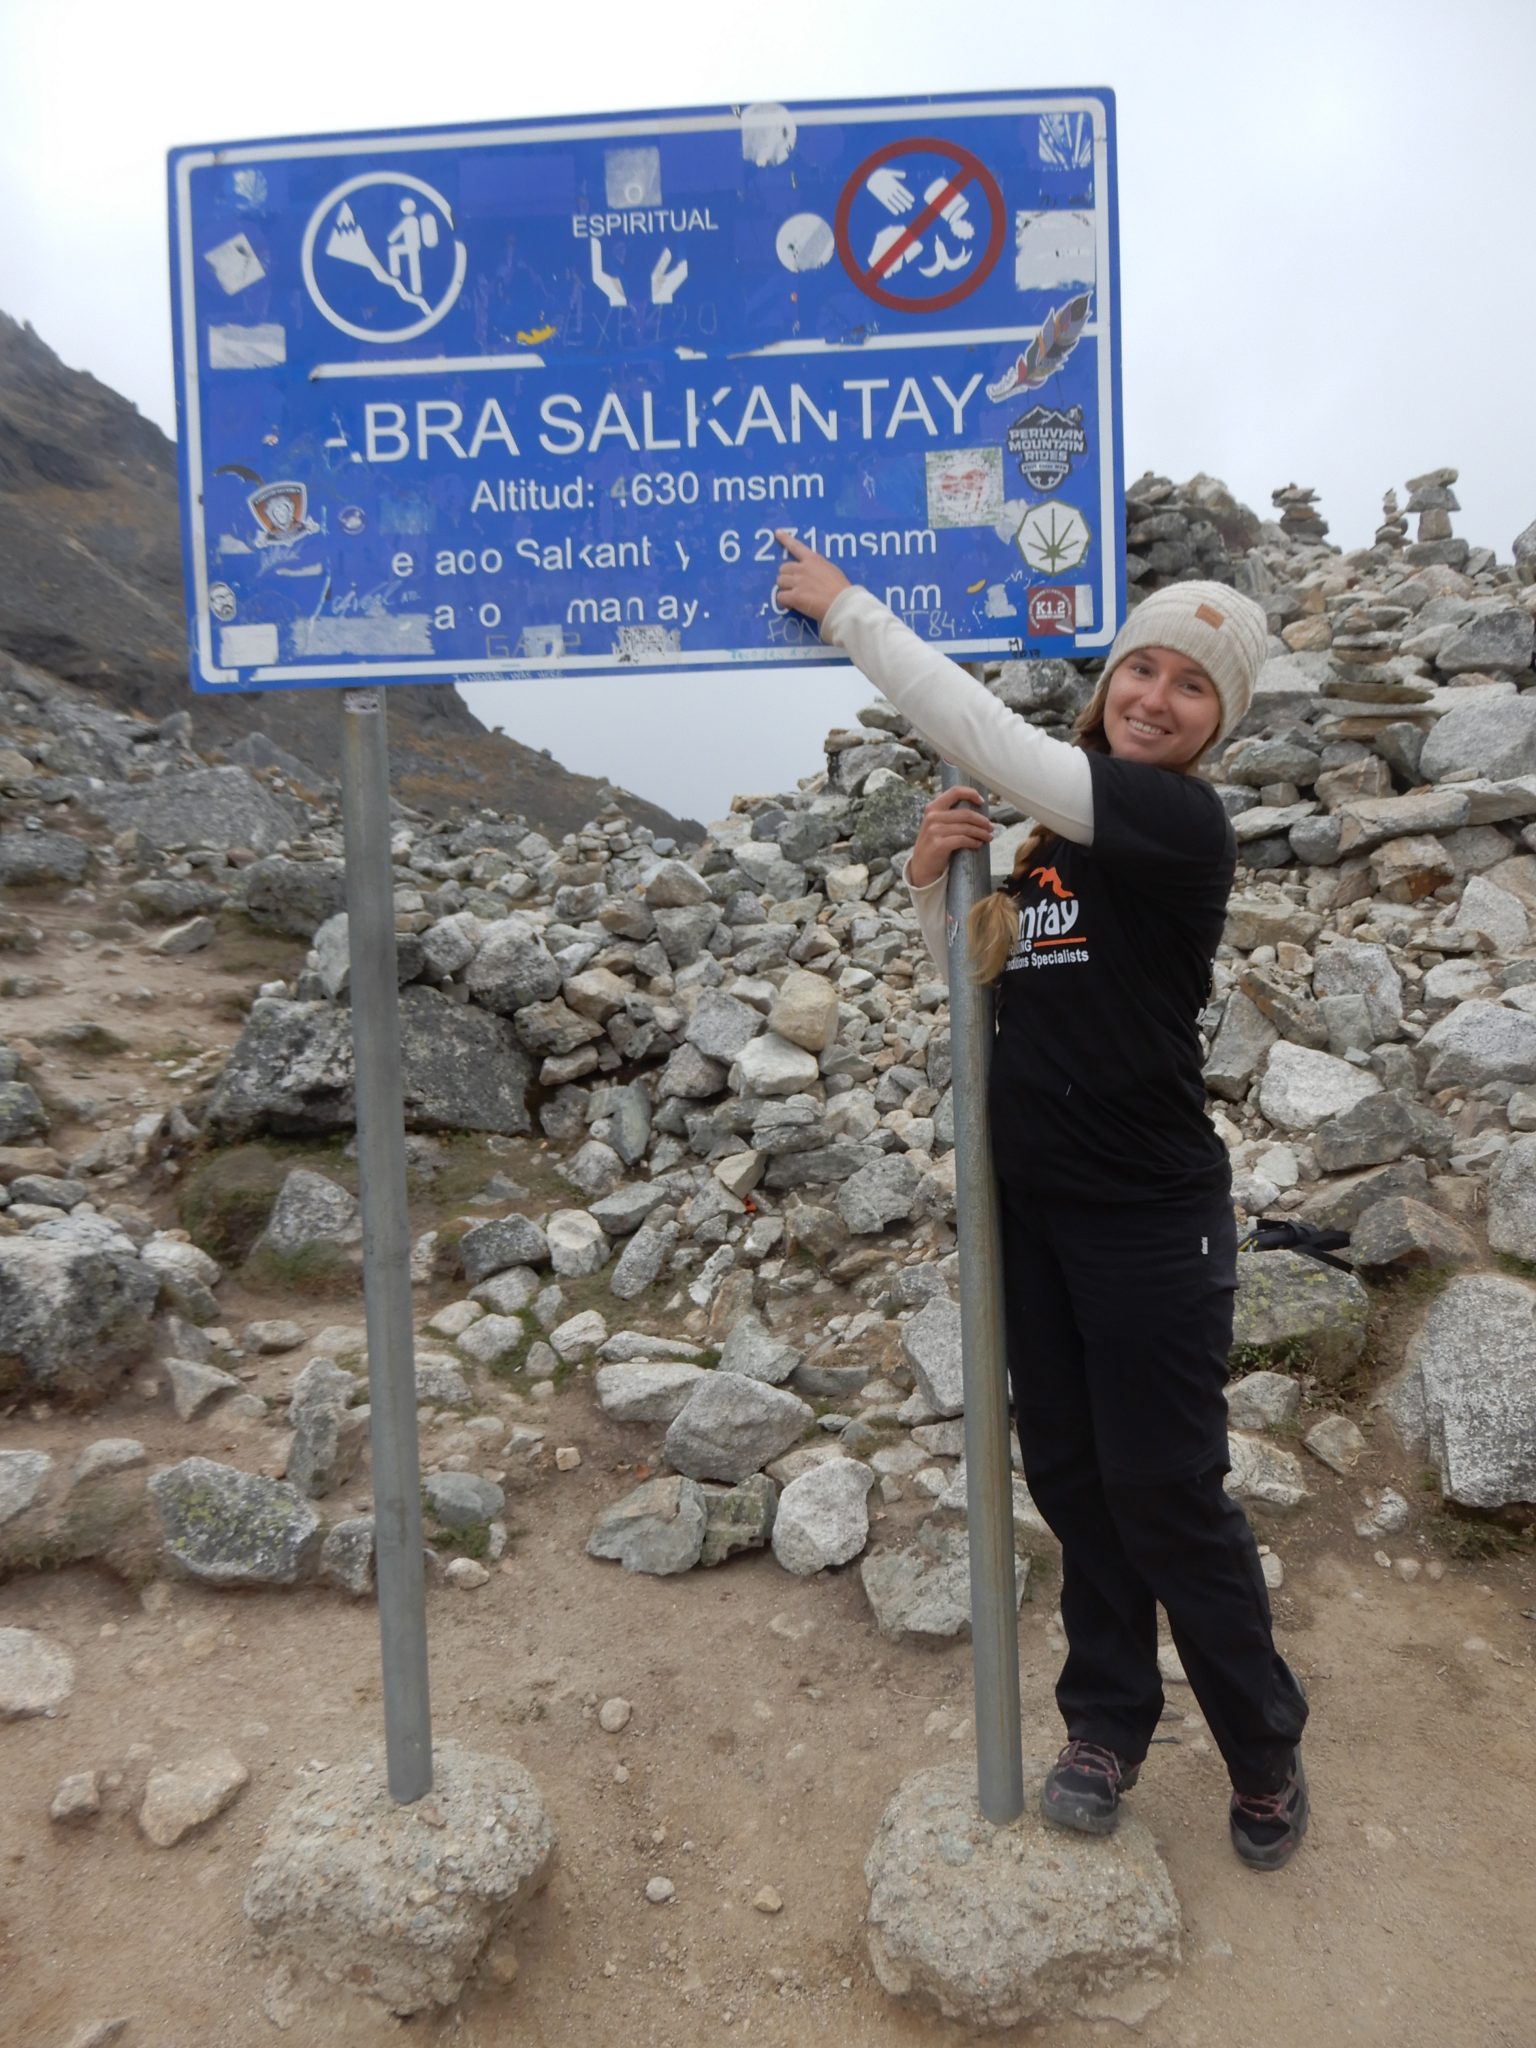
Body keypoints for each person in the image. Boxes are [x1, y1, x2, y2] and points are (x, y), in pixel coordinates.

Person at [773, 532, 1310, 1873]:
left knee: (1166, 1489)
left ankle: (1263, 1748)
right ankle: (1104, 1729)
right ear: (1112, 673)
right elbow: (979, 1008)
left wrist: (851, 614)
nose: (1158, 696)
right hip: (1037, 1217)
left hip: (1149, 1218)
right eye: (1143, 666)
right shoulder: (1040, 846)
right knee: (1073, 1481)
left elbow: (991, 735)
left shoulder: (1176, 824)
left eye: (1197, 685)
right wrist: (930, 892)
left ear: (1219, 723)